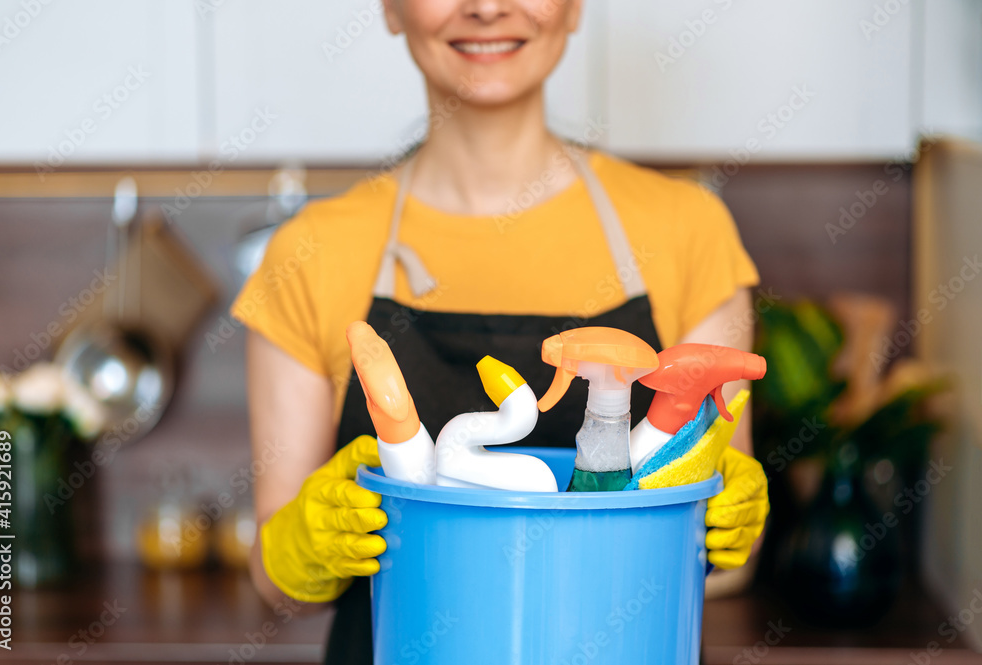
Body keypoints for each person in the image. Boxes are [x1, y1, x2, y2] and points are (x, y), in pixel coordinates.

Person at [232, 1, 769, 662]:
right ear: (391, 9)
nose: (487, 7)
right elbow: (276, 586)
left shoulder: (687, 231)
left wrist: (721, 526)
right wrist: (301, 545)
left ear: (574, 8)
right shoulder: (309, 253)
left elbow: (731, 567)